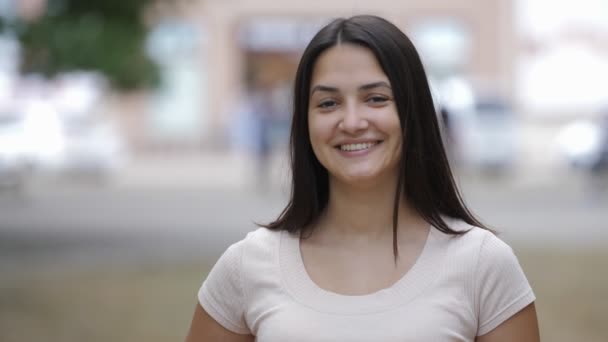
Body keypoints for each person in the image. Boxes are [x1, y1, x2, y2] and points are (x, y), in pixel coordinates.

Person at [186, 15, 539, 341]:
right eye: (328, 104)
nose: (352, 121)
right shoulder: (247, 265)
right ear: (304, 122)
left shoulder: (483, 265)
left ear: (412, 109)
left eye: (375, 98)